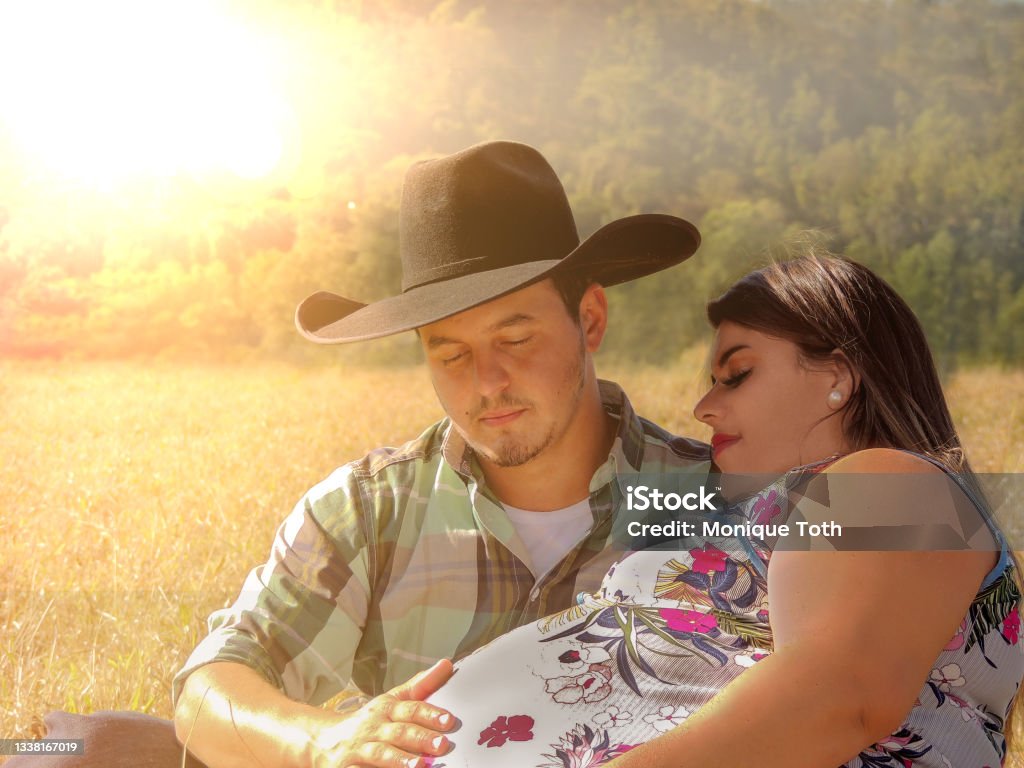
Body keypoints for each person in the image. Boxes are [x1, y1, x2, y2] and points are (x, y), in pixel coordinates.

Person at [7, 140, 708, 768]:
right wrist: (324, 740)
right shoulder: (371, 508)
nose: (486, 383)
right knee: (61, 753)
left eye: (514, 338)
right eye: (451, 352)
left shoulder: (724, 494)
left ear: (589, 318)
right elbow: (210, 683)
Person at [419, 254, 1023, 768]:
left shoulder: (895, 483)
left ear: (837, 377)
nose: (703, 406)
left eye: (737, 374)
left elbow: (840, 697)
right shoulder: (780, 509)